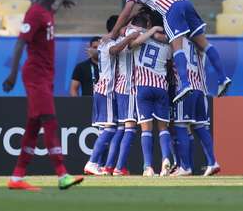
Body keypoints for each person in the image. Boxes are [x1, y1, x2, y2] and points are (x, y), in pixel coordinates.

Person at [2, 0, 83, 191]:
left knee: (32, 128)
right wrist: (12, 75)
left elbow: (48, 13)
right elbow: (20, 43)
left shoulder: (46, 11)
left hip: (46, 76)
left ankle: (16, 178)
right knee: (50, 121)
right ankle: (62, 174)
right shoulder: (35, 13)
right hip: (36, 75)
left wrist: (58, 5)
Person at [106, 0, 231, 104]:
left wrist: (112, 34)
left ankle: (185, 84)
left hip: (171, 9)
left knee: (177, 46)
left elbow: (126, 12)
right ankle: (223, 78)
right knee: (205, 44)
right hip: (185, 2)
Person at [84, 19, 140, 176]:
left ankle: (101, 165)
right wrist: (129, 37)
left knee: (107, 129)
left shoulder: (104, 40)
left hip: (104, 88)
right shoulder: (109, 42)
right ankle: (92, 162)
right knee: (110, 129)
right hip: (107, 90)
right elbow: (113, 50)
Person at [128, 13, 173, 176]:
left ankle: (148, 167)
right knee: (163, 128)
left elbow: (132, 43)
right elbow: (169, 64)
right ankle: (166, 160)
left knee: (146, 129)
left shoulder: (141, 36)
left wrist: (147, 30)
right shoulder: (167, 44)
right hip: (161, 87)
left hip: (143, 87)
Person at [172, 38, 221, 176]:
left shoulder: (177, 40)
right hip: (201, 90)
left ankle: (185, 167)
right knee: (200, 128)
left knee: (180, 126)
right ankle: (212, 162)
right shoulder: (197, 41)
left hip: (185, 88)